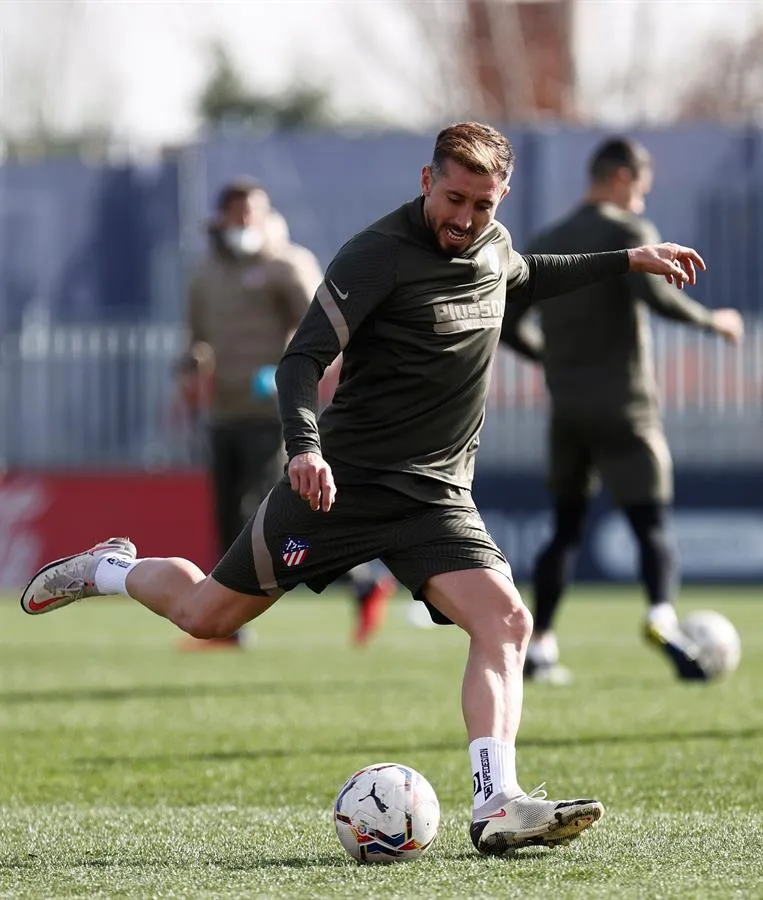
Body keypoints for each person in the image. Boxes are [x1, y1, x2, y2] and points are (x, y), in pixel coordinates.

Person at [20, 122, 707, 855]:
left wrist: (629, 259)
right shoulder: (377, 255)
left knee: (506, 621)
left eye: (482, 204)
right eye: (453, 198)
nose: (465, 219)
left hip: (436, 497)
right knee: (206, 616)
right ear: (424, 180)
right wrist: (305, 450)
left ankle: (496, 800)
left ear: (500, 197)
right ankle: (108, 569)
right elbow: (299, 361)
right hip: (338, 487)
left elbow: (531, 272)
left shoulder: (493, 246)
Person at [500, 137, 744, 684]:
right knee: (651, 521)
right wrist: (716, 322)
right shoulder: (628, 233)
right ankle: (661, 615)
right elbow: (658, 296)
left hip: (567, 409)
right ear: (618, 177)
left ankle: (540, 647)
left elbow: (509, 325)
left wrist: (554, 360)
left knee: (564, 531)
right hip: (626, 406)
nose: (640, 204)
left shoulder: (548, 241)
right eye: (639, 190)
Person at [178, 181, 394, 649]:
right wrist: (188, 377)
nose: (242, 224)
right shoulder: (205, 274)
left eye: (249, 214)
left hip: (273, 413)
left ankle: (229, 623)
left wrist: (299, 380)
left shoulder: (286, 265)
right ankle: (358, 582)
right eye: (234, 214)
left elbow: (327, 330)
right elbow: (195, 340)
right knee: (229, 517)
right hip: (223, 411)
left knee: (261, 518)